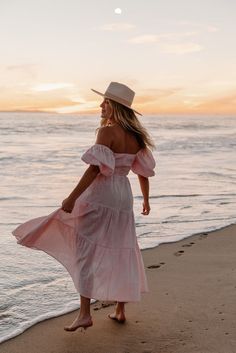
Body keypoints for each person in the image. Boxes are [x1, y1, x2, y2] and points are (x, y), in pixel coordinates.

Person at [12, 82, 156, 332]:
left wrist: (71, 198)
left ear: (116, 107)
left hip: (101, 194)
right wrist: (145, 199)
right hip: (123, 195)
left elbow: (93, 169)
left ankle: (85, 314)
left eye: (106, 102)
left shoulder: (107, 131)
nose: (101, 106)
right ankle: (120, 310)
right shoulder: (136, 136)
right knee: (122, 247)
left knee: (85, 251)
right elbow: (142, 173)